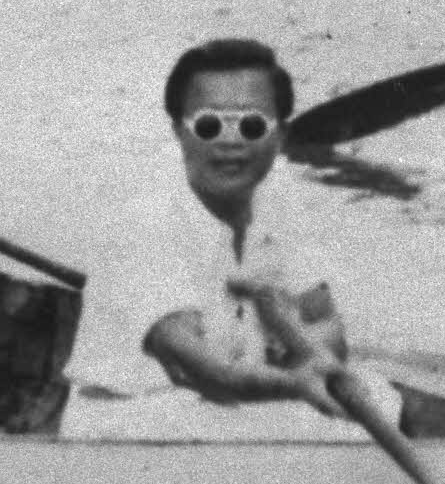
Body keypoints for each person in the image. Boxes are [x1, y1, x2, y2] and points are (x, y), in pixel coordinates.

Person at [58, 39, 402, 440]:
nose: (230, 141)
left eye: (251, 125)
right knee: (344, 429)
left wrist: (304, 344)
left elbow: (324, 323)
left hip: (224, 407)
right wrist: (296, 384)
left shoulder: (280, 199)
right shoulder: (143, 223)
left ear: (280, 135)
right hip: (136, 419)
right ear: (179, 131)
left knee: (379, 394)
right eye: (209, 125)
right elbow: (205, 374)